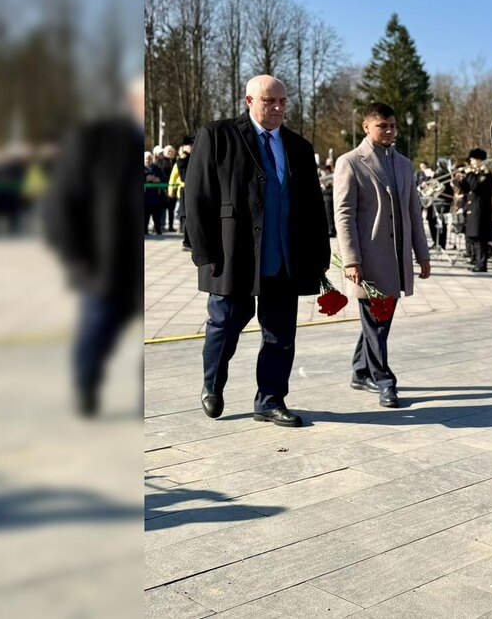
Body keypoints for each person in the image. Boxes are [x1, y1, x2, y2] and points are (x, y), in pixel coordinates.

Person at [184, 74, 330, 428]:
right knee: (224, 325)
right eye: (269, 101)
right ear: (249, 101)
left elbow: (313, 207)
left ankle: (270, 400)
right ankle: (212, 384)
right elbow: (198, 195)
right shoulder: (217, 135)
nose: (278, 108)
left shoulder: (298, 147)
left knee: (280, 335)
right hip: (234, 254)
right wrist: (204, 251)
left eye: (283, 102)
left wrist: (319, 259)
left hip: (283, 257)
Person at [43, 75, 145, 416]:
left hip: (142, 268)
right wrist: (78, 260)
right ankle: (85, 390)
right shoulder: (94, 140)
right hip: (104, 266)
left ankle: (142, 404)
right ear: (130, 102)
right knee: (96, 334)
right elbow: (59, 204)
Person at [334, 103, 431, 408]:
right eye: (382, 126)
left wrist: (422, 253)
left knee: (379, 320)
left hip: (398, 259)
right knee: (377, 320)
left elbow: (414, 212)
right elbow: (344, 214)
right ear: (366, 127)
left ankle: (361, 371)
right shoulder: (350, 162)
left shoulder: (403, 164)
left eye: (392, 126)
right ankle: (384, 380)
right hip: (369, 258)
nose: (389, 131)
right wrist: (351, 259)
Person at [458, 148, 492, 272]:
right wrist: (461, 180)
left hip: (481, 210)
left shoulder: (485, 174)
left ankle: (482, 263)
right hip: (472, 208)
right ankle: (476, 260)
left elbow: (475, 186)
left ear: (479, 160)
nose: (471, 162)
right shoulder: (476, 174)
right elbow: (467, 190)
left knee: (480, 238)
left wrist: (469, 174)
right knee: (472, 236)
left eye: (473, 159)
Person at [319, 161, 336, 238]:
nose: (323, 173)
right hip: (326, 199)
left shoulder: (331, 179)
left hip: (330, 199)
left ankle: (331, 229)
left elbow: (334, 190)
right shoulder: (323, 180)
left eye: (324, 172)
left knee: (330, 213)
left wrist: (326, 187)